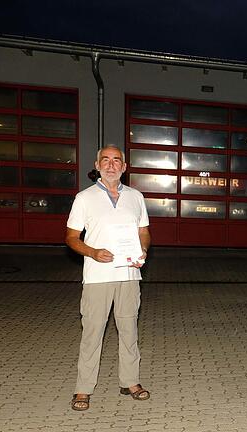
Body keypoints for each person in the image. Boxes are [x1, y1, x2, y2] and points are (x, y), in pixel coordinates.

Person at [65, 145, 151, 411]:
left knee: (129, 331)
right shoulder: (84, 198)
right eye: (106, 160)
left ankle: (130, 382)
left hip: (129, 275)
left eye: (117, 161)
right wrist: (93, 252)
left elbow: (144, 232)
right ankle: (83, 388)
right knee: (92, 333)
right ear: (97, 164)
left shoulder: (136, 197)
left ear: (124, 167)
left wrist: (143, 250)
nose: (111, 165)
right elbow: (70, 238)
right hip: (97, 277)